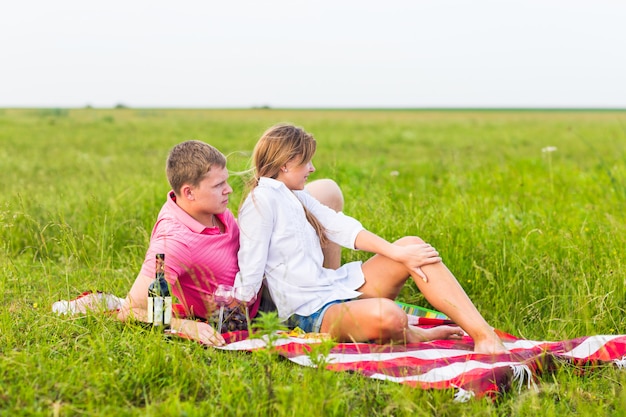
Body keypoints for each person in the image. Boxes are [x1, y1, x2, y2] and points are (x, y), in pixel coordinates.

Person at [233, 124, 507, 354]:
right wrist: (235, 312)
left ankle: (484, 336)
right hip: (306, 312)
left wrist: (397, 253)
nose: (313, 169)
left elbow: (342, 227)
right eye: (306, 162)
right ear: (285, 164)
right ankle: (410, 334)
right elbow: (251, 266)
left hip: (331, 289)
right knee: (391, 316)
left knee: (412, 246)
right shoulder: (260, 202)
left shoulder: (297, 196)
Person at [55, 140, 345, 347]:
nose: (229, 189)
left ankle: (327, 284)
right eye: (219, 185)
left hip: (261, 272)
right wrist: (185, 325)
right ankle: (322, 304)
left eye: (226, 181)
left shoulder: (210, 208)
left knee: (327, 190)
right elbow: (131, 309)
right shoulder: (173, 242)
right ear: (189, 193)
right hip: (257, 307)